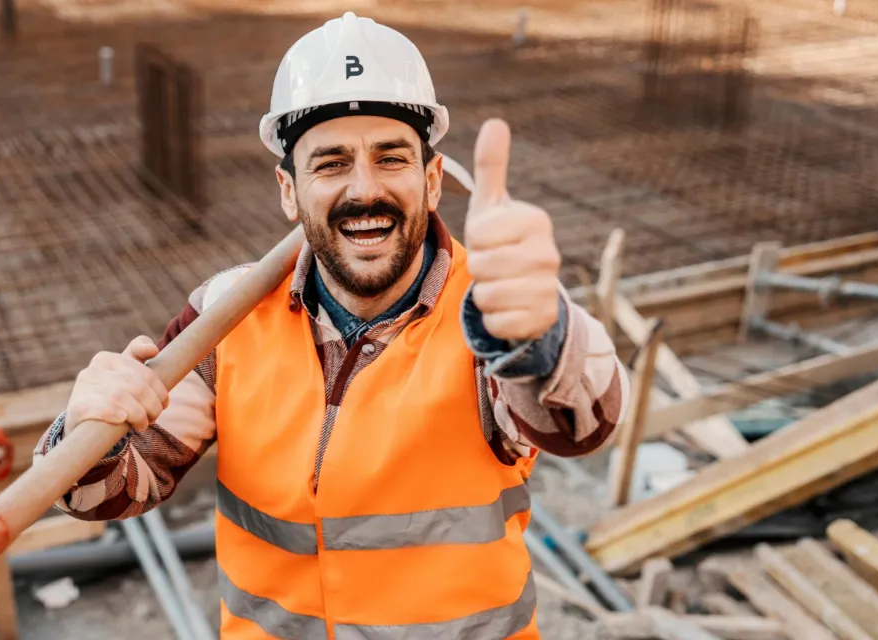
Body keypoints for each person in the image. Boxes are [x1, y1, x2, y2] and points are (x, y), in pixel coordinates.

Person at [34, 12, 629, 639]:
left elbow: (581, 422)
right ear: (289, 191)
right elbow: (119, 491)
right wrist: (86, 432)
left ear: (431, 180)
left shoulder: (492, 312)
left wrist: (541, 336)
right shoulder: (227, 314)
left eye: (391, 157)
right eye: (331, 163)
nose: (364, 189)